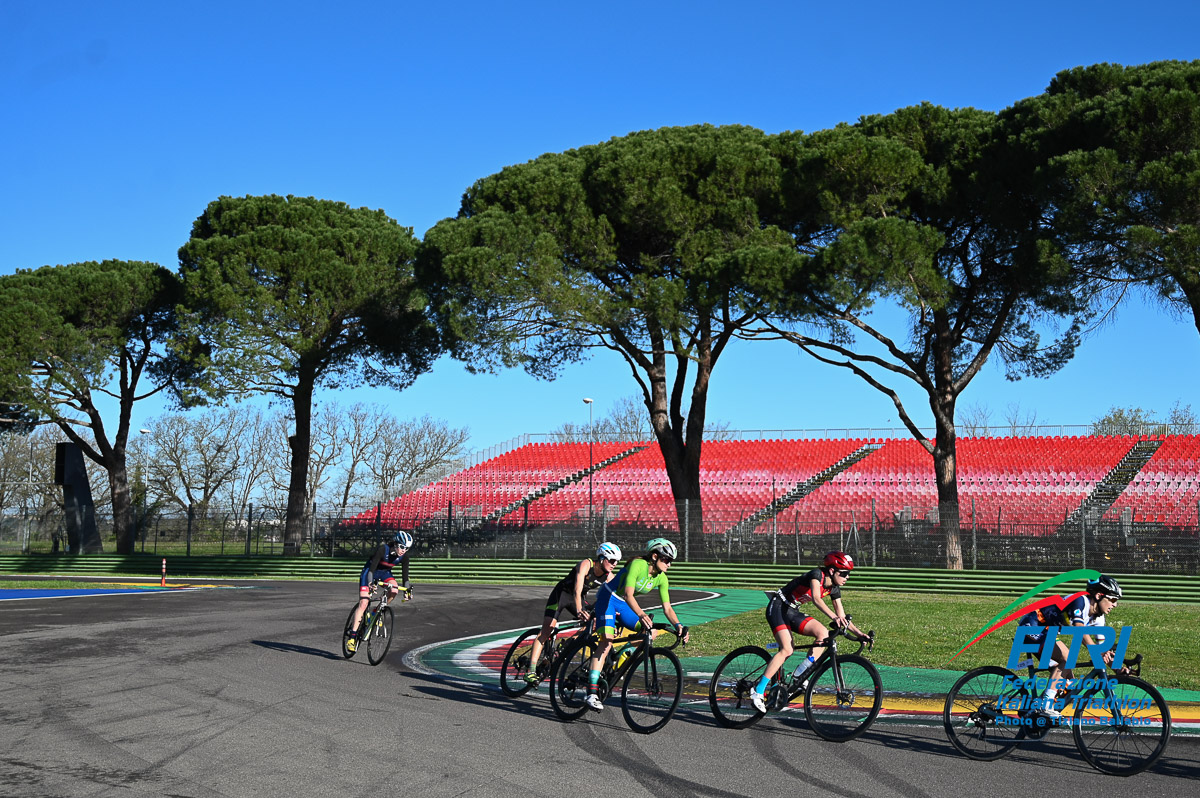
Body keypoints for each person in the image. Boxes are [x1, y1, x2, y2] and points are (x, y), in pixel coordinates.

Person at [750, 551, 866, 714]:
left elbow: (842, 615)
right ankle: (758, 690)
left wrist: (860, 634)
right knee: (787, 649)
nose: (847, 577)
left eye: (849, 574)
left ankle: (801, 673)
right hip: (778, 607)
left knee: (823, 633)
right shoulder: (816, 575)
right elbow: (817, 599)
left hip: (792, 611)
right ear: (832, 571)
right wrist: (833, 616)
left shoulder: (834, 588)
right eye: (844, 573)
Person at [583, 537, 689, 712]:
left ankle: (620, 659)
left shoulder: (661, 578)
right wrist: (641, 614)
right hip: (609, 599)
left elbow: (667, 608)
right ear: (655, 556)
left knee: (651, 633)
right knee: (606, 642)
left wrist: (678, 625)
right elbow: (628, 595)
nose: (669, 564)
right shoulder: (637, 565)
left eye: (671, 561)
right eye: (667, 559)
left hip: (624, 605)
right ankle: (591, 693)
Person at [1018, 574, 1124, 717]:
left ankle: (1034, 713)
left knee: (1068, 684)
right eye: (1112, 599)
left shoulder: (1099, 618)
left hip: (1047, 632)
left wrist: (1119, 669)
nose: (1115, 604)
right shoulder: (1080, 601)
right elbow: (1078, 629)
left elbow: (1103, 650)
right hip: (1032, 626)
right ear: (1099, 595)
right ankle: (1045, 705)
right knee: (1068, 657)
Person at [521, 542, 622, 684]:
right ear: (601, 558)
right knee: (547, 630)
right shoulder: (587, 564)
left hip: (578, 599)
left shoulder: (608, 576)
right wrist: (580, 610)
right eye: (612, 561)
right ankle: (530, 671)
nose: (615, 564)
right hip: (561, 595)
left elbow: (615, 597)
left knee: (592, 623)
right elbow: (577, 589)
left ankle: (566, 646)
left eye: (617, 561)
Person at [346, 531, 413, 652]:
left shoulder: (404, 556)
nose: (404, 550)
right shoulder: (383, 549)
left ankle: (378, 611)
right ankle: (352, 637)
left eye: (407, 548)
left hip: (385, 573)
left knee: (394, 589)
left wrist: (407, 590)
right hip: (370, 572)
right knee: (364, 603)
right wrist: (371, 583)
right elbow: (371, 570)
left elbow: (405, 577)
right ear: (396, 544)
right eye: (402, 547)